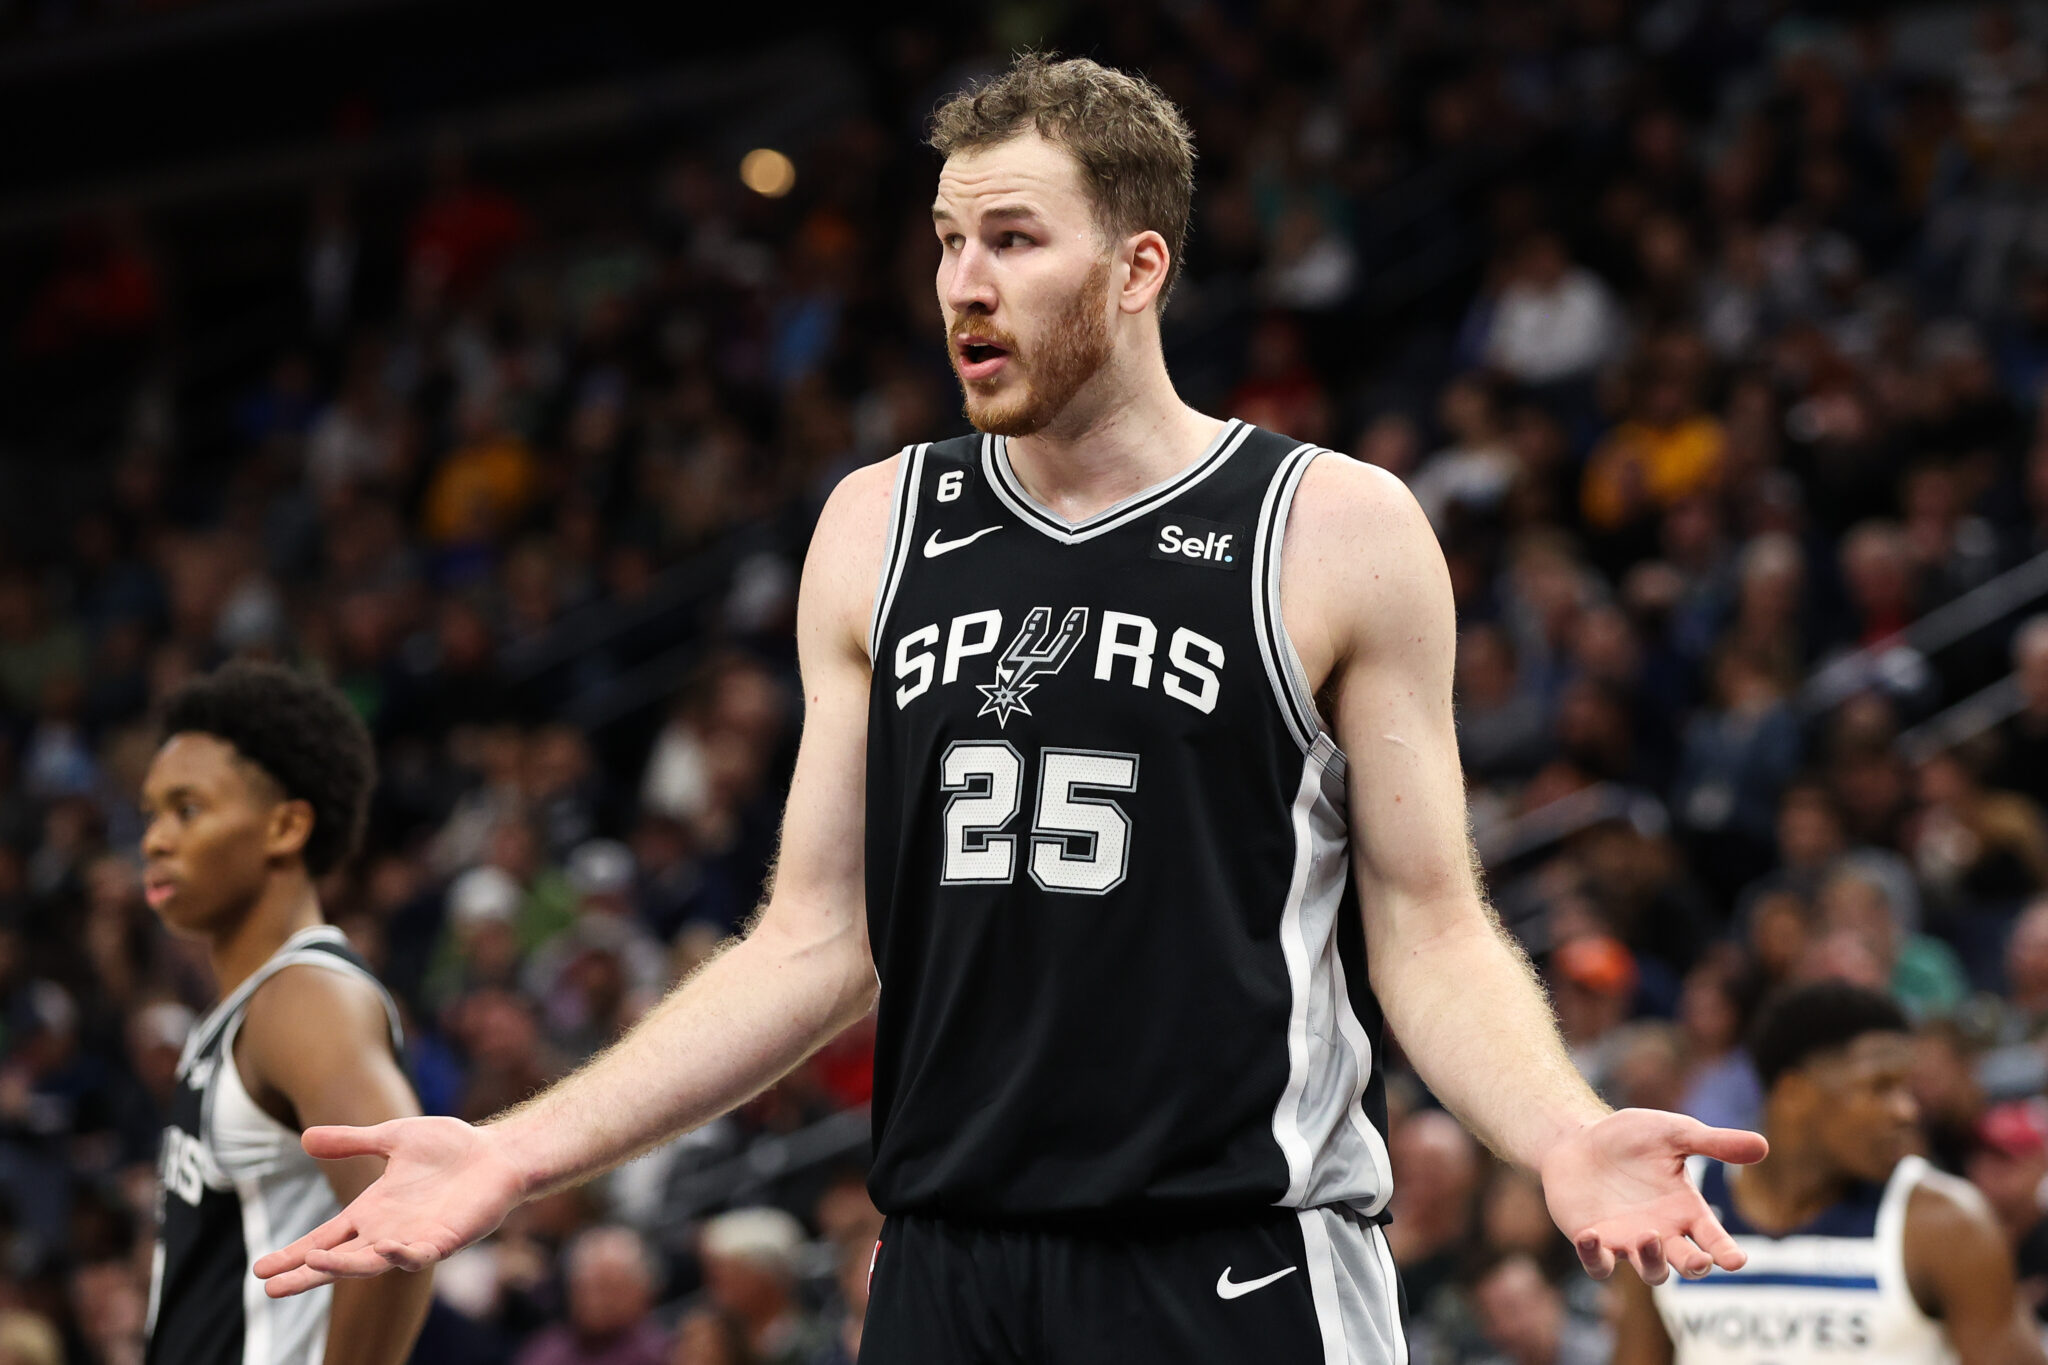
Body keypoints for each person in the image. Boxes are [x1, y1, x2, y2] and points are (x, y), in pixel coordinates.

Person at [256, 54, 1765, 1362]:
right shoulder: (875, 525)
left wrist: (1564, 1129)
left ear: (1138, 267)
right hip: (946, 1265)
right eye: (946, 241)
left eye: (1014, 240)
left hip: (1230, 1258)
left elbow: (1426, 928)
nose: (962, 285)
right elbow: (815, 939)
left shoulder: (1333, 528)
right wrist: (516, 1152)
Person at [141, 661, 431, 1364]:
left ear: (286, 826)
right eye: (151, 812)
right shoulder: (243, 1010)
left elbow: (406, 1215)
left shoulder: (305, 997)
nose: (154, 839)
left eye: (187, 809)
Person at [1613, 981, 2044, 1365]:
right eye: (1881, 1086)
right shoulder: (1674, 1206)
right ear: (1795, 1093)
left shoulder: (1945, 1222)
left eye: (1906, 1087)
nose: (1907, 1110)